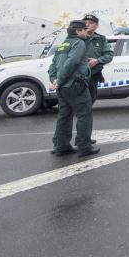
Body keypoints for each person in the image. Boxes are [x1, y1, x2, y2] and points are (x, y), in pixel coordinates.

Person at [48, 20, 99, 157]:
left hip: (63, 88)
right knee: (84, 114)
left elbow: (53, 66)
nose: (86, 32)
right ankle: (84, 147)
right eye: (84, 29)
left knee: (64, 116)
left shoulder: (63, 44)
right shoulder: (79, 43)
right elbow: (72, 62)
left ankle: (61, 146)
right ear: (77, 31)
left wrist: (54, 80)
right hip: (75, 85)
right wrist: (60, 80)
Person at [82, 14, 114, 109]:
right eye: (85, 23)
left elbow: (109, 56)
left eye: (90, 23)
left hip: (93, 75)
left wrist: (97, 61)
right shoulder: (77, 38)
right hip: (77, 76)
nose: (87, 24)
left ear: (96, 26)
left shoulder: (101, 39)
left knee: (91, 99)